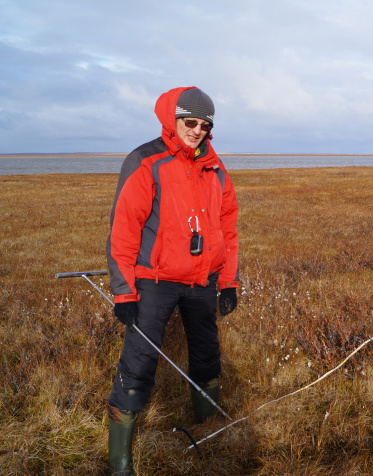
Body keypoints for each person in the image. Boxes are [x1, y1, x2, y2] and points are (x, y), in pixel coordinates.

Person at [105, 86, 240, 475]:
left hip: (202, 280)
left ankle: (209, 431)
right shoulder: (146, 161)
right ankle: (119, 463)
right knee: (139, 361)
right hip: (155, 280)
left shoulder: (215, 167)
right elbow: (123, 230)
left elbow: (227, 230)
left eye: (204, 124)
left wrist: (227, 282)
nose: (196, 130)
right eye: (190, 121)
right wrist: (125, 292)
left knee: (206, 353)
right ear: (173, 119)